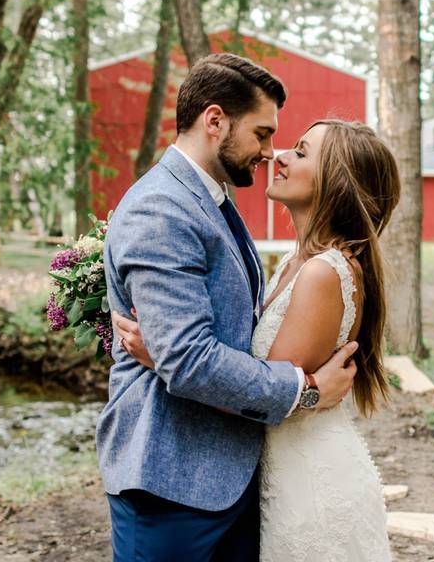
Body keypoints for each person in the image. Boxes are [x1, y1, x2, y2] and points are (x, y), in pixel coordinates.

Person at [98, 53, 360, 562]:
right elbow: (189, 359)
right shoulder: (162, 208)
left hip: (230, 474)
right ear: (215, 121)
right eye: (261, 134)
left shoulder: (209, 198)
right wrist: (304, 392)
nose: (268, 151)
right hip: (171, 481)